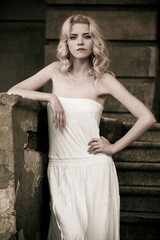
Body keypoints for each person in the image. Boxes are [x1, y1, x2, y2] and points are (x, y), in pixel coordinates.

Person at [7, 14, 156, 240]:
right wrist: (50, 97)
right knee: (69, 232)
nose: (80, 42)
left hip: (94, 168)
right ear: (66, 42)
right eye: (73, 37)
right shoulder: (55, 71)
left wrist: (114, 148)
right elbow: (13, 92)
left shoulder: (103, 80)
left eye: (86, 36)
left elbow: (147, 117)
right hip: (60, 167)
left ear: (93, 42)